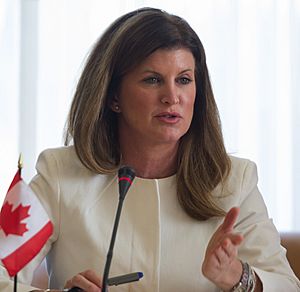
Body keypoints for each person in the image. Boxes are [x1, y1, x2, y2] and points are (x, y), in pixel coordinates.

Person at [1, 7, 299, 292]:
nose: (172, 97)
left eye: (184, 79)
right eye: (153, 80)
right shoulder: (60, 174)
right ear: (113, 95)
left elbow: (286, 285)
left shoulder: (234, 180)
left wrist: (235, 276)